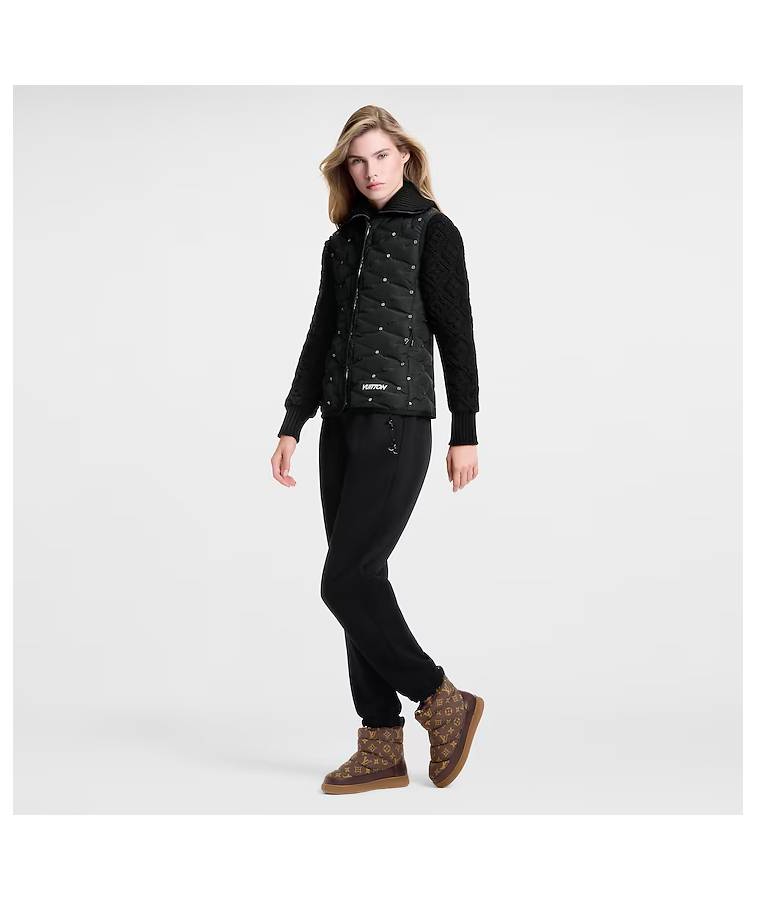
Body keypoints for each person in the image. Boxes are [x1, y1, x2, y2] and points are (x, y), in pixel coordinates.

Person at [270, 105, 484, 794]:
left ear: (406, 157)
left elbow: (457, 335)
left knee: (344, 580)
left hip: (399, 424)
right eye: (357, 161)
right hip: (340, 426)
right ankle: (380, 743)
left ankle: (441, 700)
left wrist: (465, 430)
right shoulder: (342, 243)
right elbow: (320, 334)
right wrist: (293, 421)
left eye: (381, 156)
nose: (369, 171)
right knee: (359, 582)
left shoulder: (435, 232)